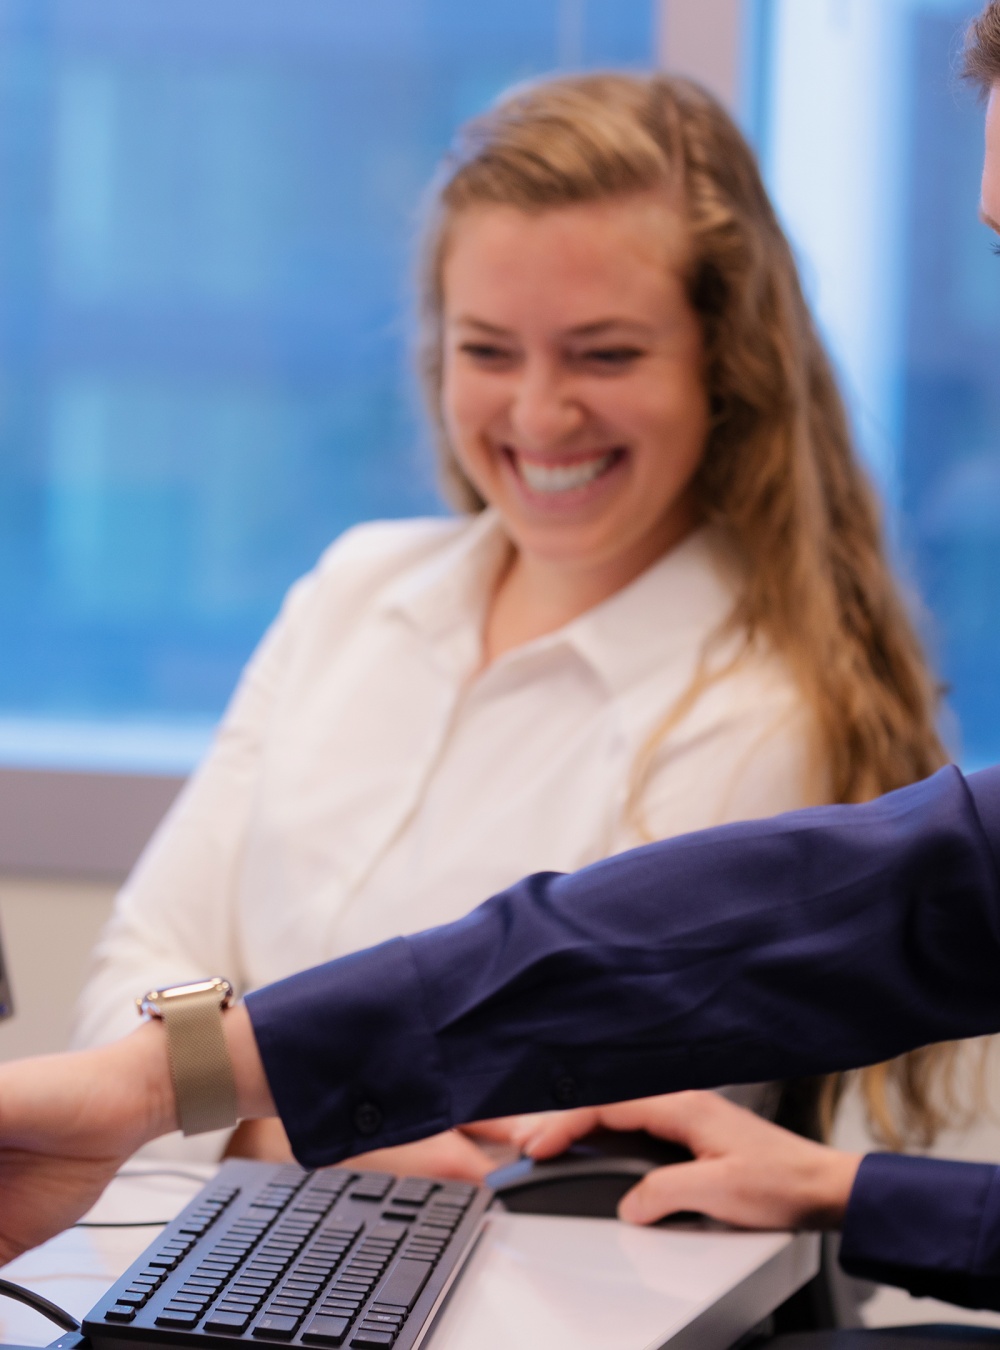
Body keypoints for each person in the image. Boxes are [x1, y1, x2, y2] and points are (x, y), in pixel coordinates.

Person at [0, 0, 996, 1316]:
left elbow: (573, 1072)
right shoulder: (359, 583)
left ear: (730, 367)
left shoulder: (759, 696)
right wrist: (204, 1085)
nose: (536, 411)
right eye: (486, 349)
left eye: (605, 352)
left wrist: (198, 1082)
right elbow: (144, 961)